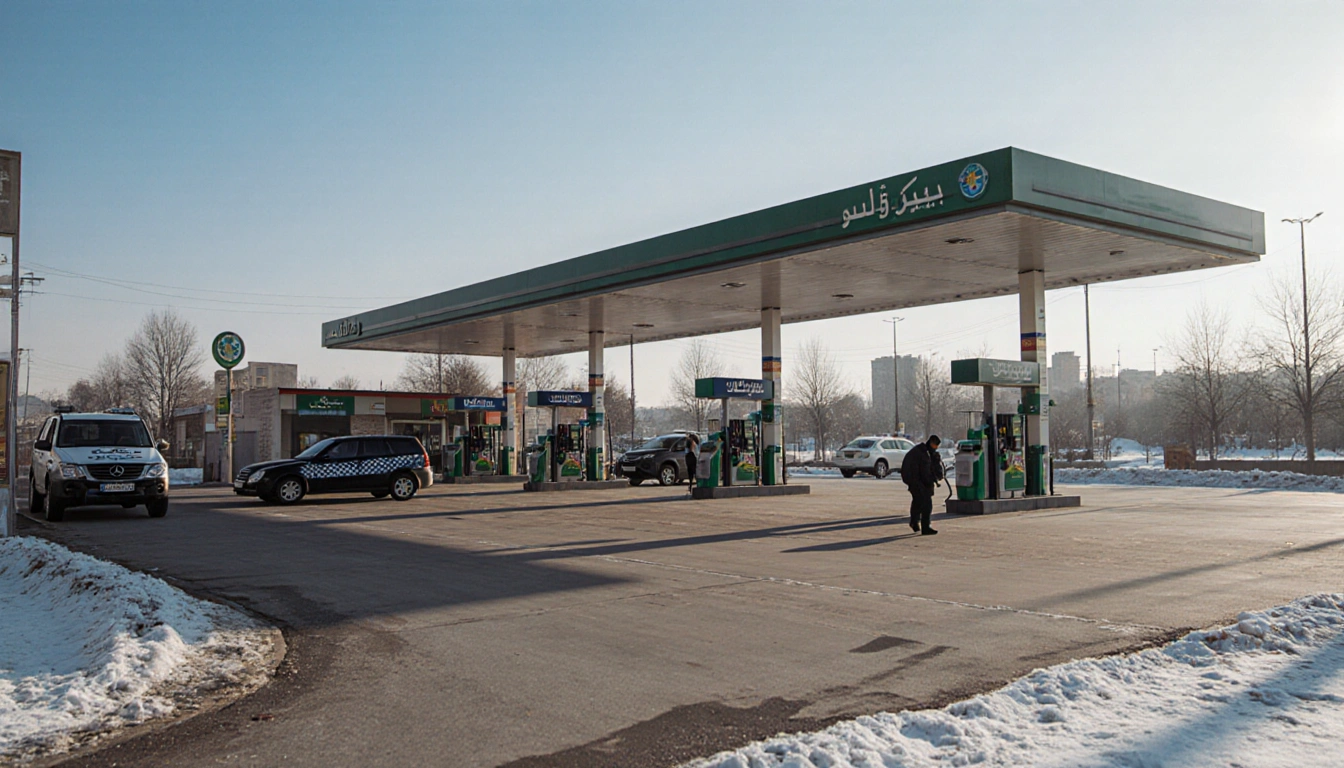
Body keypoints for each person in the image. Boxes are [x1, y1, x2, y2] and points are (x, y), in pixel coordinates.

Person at [900, 435, 943, 535]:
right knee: (926, 504)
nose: (935, 448)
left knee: (918, 502)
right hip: (917, 482)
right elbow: (924, 471)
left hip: (919, 482)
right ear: (930, 443)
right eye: (934, 445)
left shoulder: (927, 453)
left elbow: (933, 469)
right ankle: (925, 527)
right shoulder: (921, 453)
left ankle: (914, 522)